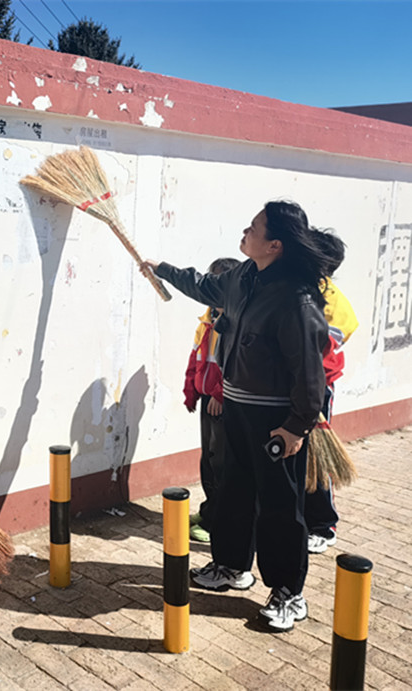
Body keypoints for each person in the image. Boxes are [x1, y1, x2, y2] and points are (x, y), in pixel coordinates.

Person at [143, 200, 330, 632]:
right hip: (236, 408)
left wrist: (297, 426)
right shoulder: (245, 277)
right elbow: (205, 285)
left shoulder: (296, 301)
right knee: (232, 492)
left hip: (276, 420)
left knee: (281, 509)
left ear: (275, 245)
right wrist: (163, 269)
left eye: (254, 228)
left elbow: (309, 373)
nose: (244, 233)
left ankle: (288, 592)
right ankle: (231, 566)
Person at [306, 229, 358, 554]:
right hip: (281, 387)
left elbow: (321, 354)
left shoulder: (334, 304)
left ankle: (323, 526)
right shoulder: (299, 290)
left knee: (316, 456)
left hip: (316, 388)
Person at [183, 257, 241, 543]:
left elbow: (234, 364)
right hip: (206, 399)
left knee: (222, 462)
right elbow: (196, 356)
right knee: (208, 459)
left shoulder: (236, 320)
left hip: (223, 402)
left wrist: (220, 394)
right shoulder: (208, 318)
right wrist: (190, 390)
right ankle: (209, 511)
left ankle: (218, 521)